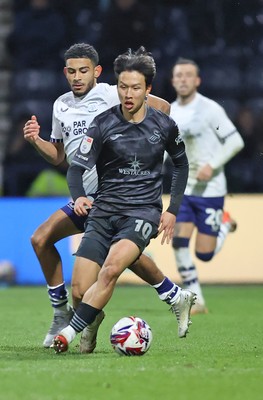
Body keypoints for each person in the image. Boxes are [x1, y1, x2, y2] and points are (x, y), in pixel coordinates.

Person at [23, 43, 189, 352]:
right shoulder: (61, 105)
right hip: (85, 196)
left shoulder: (114, 93)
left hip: (118, 193)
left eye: (83, 70)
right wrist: (36, 141)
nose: (77, 76)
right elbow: (59, 156)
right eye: (71, 71)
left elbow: (163, 108)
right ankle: (63, 313)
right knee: (43, 239)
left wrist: (141, 143)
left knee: (115, 261)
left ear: (96, 72)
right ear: (64, 73)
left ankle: (75, 322)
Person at [169, 58, 245, 314]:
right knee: (178, 242)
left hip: (211, 189)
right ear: (172, 81)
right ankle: (196, 299)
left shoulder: (210, 110)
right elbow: (167, 150)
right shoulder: (169, 112)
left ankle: (224, 224)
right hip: (185, 188)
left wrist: (212, 164)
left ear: (197, 80)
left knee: (204, 254)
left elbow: (235, 142)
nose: (183, 79)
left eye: (188, 75)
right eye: (178, 76)